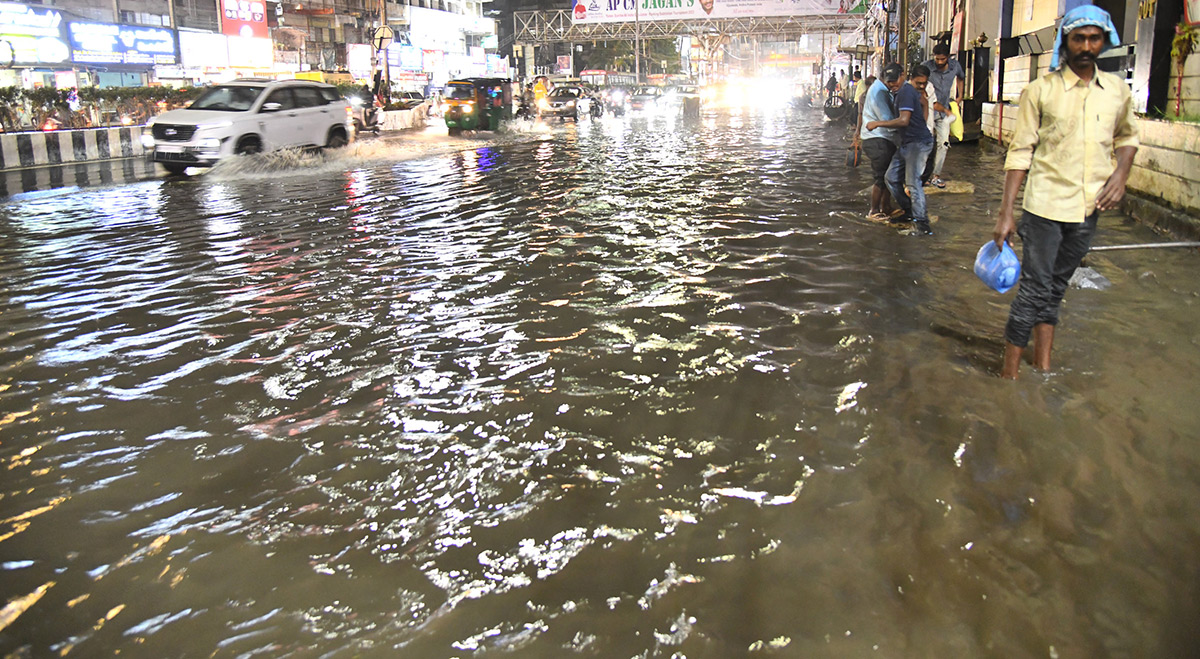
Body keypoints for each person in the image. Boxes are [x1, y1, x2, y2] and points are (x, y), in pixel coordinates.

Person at [992, 5, 1138, 379]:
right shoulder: (1040, 92)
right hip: (1044, 208)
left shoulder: (1117, 92)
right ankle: (1008, 378)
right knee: (1034, 290)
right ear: (1066, 42)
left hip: (1089, 208)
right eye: (1079, 38)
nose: (1087, 46)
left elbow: (1127, 137)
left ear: (1104, 41)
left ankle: (1043, 368)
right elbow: (1020, 151)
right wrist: (1007, 212)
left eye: (1094, 38)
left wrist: (1121, 174)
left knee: (1055, 289)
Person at [867, 64, 935, 235]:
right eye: (889, 82)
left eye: (895, 80)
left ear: (903, 76)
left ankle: (922, 224)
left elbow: (903, 120)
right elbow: (923, 103)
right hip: (908, 142)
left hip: (917, 143)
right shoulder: (903, 92)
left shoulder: (905, 91)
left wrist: (877, 123)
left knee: (913, 183)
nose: (892, 84)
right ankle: (909, 211)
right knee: (890, 178)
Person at [855, 64, 903, 222]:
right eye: (891, 82)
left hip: (880, 138)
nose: (894, 85)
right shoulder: (879, 93)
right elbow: (888, 119)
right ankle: (874, 210)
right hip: (877, 139)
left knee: (887, 176)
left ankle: (886, 207)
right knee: (881, 177)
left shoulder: (880, 89)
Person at [922, 44, 965, 188]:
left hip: (944, 111)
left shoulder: (955, 66)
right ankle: (924, 175)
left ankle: (936, 176)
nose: (939, 62)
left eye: (943, 59)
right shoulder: (926, 67)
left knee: (943, 144)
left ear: (948, 57)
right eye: (937, 59)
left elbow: (961, 78)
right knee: (926, 144)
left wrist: (960, 97)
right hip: (928, 111)